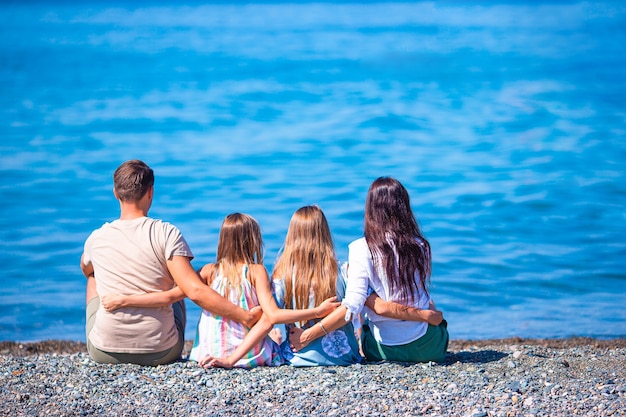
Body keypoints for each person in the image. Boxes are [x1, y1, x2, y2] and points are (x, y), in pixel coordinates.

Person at [80, 160, 261, 366]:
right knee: (180, 280)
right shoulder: (166, 233)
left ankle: (111, 332)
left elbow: (85, 268)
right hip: (161, 351)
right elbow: (195, 291)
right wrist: (244, 316)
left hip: (104, 351)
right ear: (150, 192)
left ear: (115, 193)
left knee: (93, 276)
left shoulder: (97, 237)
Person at [104, 212, 340, 368]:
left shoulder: (208, 272)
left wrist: (124, 300)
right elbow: (272, 317)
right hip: (249, 356)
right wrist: (317, 311)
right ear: (253, 241)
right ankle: (237, 355)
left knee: (180, 298)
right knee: (270, 327)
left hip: (206, 352)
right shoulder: (257, 271)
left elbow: (169, 297)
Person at [289, 177, 449, 363]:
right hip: (429, 347)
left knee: (365, 318)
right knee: (429, 305)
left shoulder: (360, 248)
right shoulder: (420, 245)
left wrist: (307, 336)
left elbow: (352, 305)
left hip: (382, 350)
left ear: (371, 209)